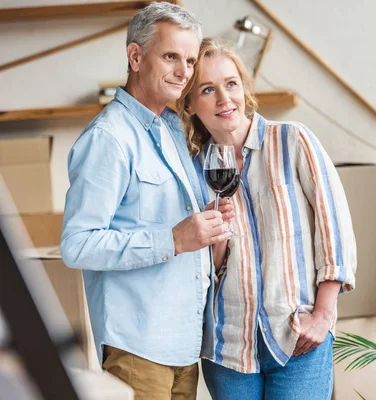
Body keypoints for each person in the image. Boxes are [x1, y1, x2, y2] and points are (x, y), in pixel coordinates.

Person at [60, 4, 232, 399]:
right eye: (171, 56)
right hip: (137, 349)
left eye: (189, 60)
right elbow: (77, 244)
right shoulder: (109, 138)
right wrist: (172, 239)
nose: (183, 71)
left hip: (185, 346)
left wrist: (203, 221)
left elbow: (168, 223)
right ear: (135, 57)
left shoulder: (171, 128)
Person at [176, 37, 357, 399]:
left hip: (297, 335)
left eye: (231, 84)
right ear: (191, 104)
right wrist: (216, 238)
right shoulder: (193, 170)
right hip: (228, 347)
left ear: (244, 88)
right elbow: (202, 271)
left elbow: (334, 231)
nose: (224, 99)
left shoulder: (293, 141)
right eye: (208, 90)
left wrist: (322, 316)